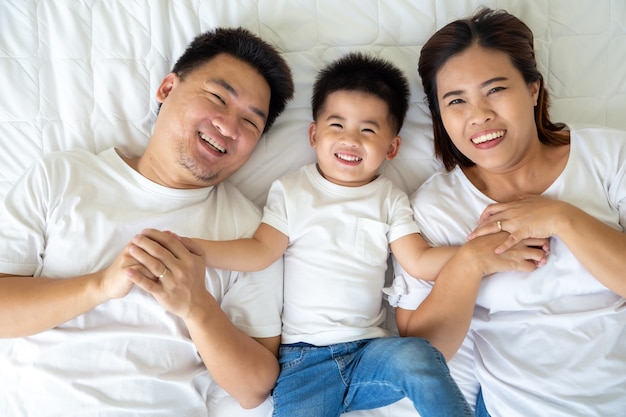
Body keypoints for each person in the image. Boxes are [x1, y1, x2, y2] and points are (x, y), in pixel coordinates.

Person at [148, 51, 474, 417]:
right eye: (337, 126)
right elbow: (260, 252)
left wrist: (480, 253)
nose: (351, 140)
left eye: (368, 130)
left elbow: (419, 260)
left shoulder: (390, 198)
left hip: (370, 352)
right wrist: (192, 248)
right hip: (304, 363)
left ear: (392, 147)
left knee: (420, 355)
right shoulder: (292, 190)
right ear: (314, 135)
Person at [0, 27, 294, 416]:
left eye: (250, 123)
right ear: (167, 88)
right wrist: (100, 286)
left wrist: (197, 307)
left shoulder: (253, 235)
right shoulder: (63, 175)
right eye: (218, 98)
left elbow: (254, 388)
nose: (228, 126)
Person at [388, 7, 626, 417]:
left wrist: (561, 217)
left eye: (495, 90)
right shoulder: (436, 207)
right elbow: (422, 354)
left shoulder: (607, 156)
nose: (479, 115)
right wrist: (469, 264)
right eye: (456, 100)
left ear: (533, 88)